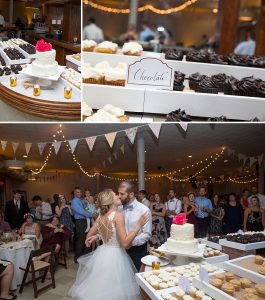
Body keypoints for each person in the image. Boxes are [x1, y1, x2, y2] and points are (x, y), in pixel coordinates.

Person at [68, 188, 148, 300]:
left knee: (102, 288)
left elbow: (89, 235)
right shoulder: (117, 215)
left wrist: (98, 236)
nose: (118, 196)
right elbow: (125, 243)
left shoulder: (101, 216)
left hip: (103, 253)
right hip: (116, 256)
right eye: (115, 195)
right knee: (115, 290)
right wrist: (138, 226)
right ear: (110, 200)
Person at [117, 181, 151, 271]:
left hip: (137, 250)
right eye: (118, 193)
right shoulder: (119, 208)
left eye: (122, 194)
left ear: (131, 194)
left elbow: (147, 234)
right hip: (120, 249)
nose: (119, 196)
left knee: (136, 278)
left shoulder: (144, 210)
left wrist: (131, 242)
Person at [71, 187, 94, 262]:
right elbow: (80, 211)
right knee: (80, 239)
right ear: (74, 193)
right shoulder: (75, 201)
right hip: (80, 221)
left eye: (80, 192)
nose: (79, 193)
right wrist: (91, 214)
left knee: (85, 237)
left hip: (84, 220)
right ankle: (78, 257)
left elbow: (86, 208)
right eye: (77, 192)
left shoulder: (81, 200)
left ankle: (85, 256)